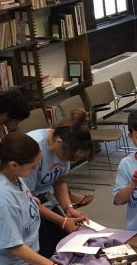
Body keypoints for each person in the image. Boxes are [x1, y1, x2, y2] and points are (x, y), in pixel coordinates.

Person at [0, 132, 77, 265]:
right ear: (14, 164)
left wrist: (62, 220)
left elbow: (31, 202)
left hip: (21, 261)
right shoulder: (0, 196)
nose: (35, 170)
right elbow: (14, 246)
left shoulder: (12, 174)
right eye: (33, 167)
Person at [23, 109, 94, 257]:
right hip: (26, 207)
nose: (69, 161)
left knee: (66, 244)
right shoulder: (33, 148)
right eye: (70, 157)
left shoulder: (65, 147)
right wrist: (62, 221)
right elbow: (28, 201)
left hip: (45, 200)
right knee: (46, 252)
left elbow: (60, 181)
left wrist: (68, 208)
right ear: (59, 142)